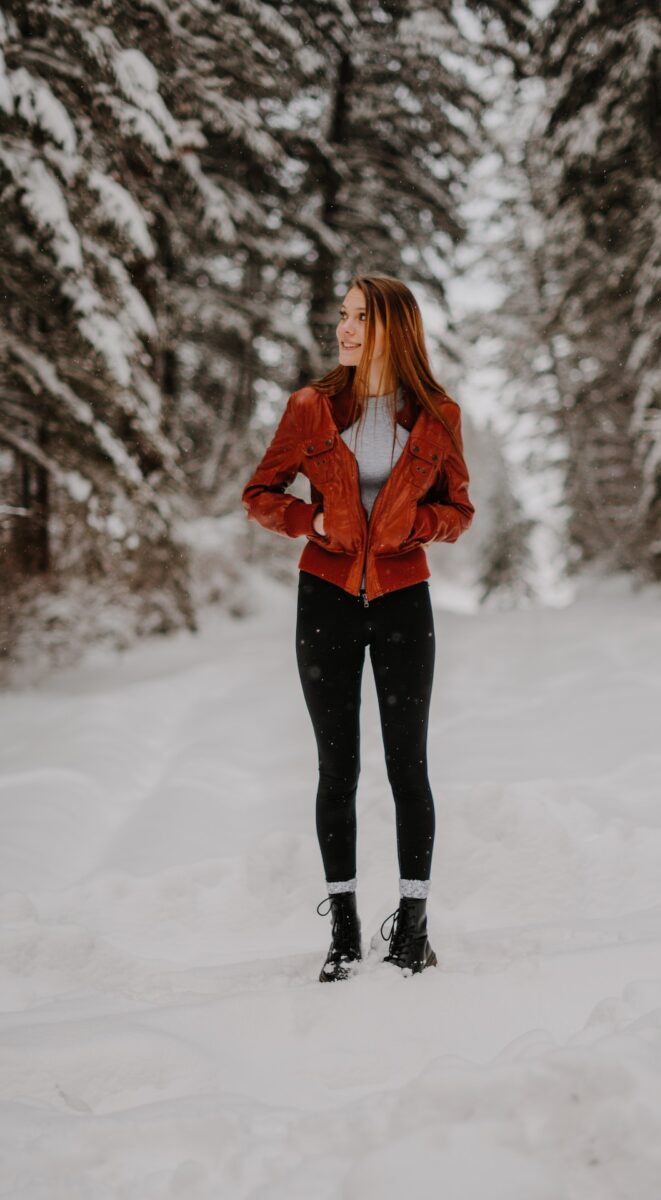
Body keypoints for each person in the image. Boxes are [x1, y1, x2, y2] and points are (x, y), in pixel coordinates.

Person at [241, 273, 474, 981]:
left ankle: (412, 926)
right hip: (328, 599)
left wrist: (418, 522)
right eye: (342, 317)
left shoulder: (437, 414)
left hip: (405, 600)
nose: (343, 330)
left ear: (393, 330)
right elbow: (260, 493)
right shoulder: (310, 409)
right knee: (336, 769)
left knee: (410, 768)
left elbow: (459, 511)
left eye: (359, 320)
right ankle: (343, 930)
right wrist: (309, 520)